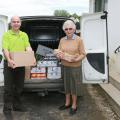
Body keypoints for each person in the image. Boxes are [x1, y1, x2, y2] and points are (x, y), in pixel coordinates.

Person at [2, 16, 36, 114]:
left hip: (20, 64)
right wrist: (9, 60)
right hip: (9, 64)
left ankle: (17, 106)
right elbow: (5, 49)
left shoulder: (24, 35)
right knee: (8, 88)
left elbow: (28, 47)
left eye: (17, 22)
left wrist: (32, 57)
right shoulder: (6, 35)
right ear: (11, 23)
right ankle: (7, 109)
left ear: (20, 23)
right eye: (14, 22)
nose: (16, 23)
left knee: (19, 87)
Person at [55, 20, 86, 115]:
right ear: (64, 30)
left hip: (75, 67)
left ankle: (74, 105)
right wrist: (58, 55)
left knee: (74, 86)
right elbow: (59, 51)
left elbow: (83, 54)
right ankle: (67, 103)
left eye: (70, 28)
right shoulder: (62, 40)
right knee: (66, 85)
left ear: (74, 29)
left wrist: (75, 60)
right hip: (65, 66)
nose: (68, 31)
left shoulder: (79, 40)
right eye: (66, 29)